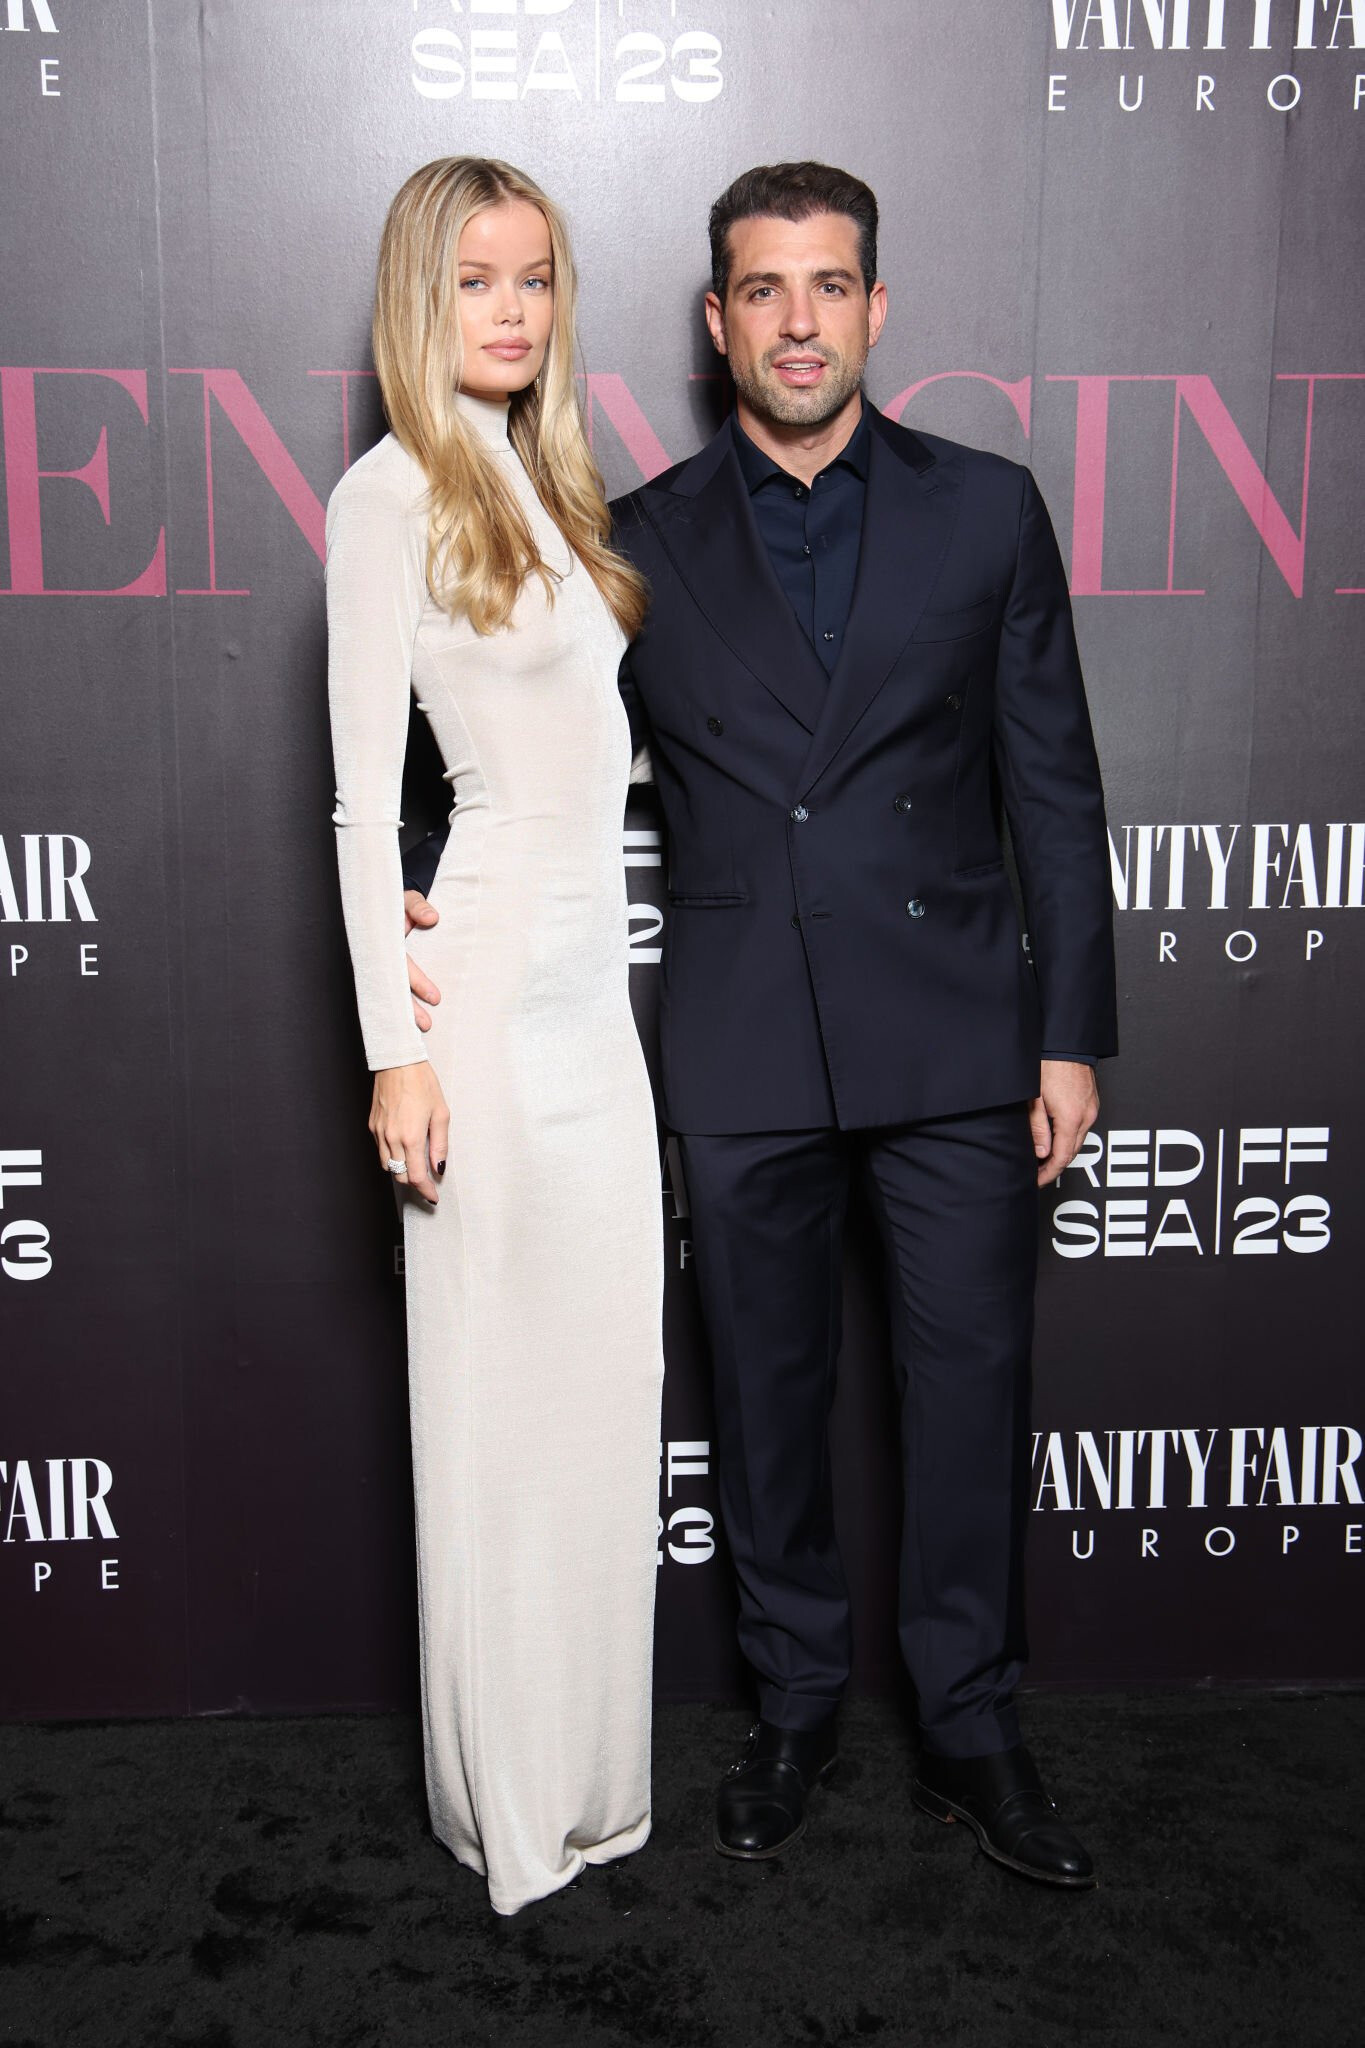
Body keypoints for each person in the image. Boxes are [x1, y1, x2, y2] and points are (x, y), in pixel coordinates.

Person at [401, 162, 1117, 1889]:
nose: (800, 322)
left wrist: (1069, 1033)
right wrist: (418, 894)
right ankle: (793, 1706)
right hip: (738, 1040)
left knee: (969, 1393)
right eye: (764, 290)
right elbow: (478, 724)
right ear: (717, 321)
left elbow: (1054, 790)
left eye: (829, 285)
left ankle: (969, 1724)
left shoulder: (986, 510)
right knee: (768, 1400)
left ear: (876, 309)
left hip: (955, 1033)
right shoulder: (630, 536)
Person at [324, 156, 664, 1917]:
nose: (512, 309)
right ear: (419, 296)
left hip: (595, 1005)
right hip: (487, 997)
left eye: (534, 277)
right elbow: (357, 804)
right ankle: (506, 1807)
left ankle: (597, 1784)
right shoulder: (386, 497)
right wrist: (395, 1046)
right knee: (492, 1415)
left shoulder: (546, 477)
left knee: (598, 1404)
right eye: (475, 280)